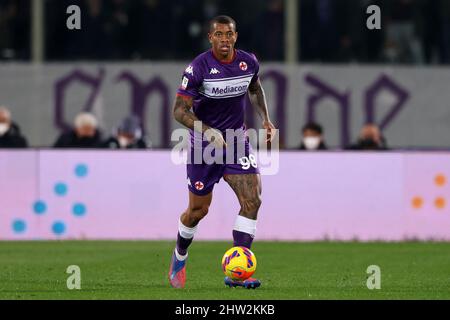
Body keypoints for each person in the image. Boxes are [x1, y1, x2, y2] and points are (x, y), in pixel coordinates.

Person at [168, 15, 276, 289]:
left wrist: (265, 118)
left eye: (229, 34)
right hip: (204, 147)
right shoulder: (198, 68)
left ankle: (240, 270)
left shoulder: (248, 62)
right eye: (219, 35)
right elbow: (179, 111)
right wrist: (207, 130)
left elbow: (255, 88)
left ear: (235, 37)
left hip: (237, 142)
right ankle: (180, 255)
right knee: (197, 211)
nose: (225, 40)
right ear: (211, 38)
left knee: (252, 200)